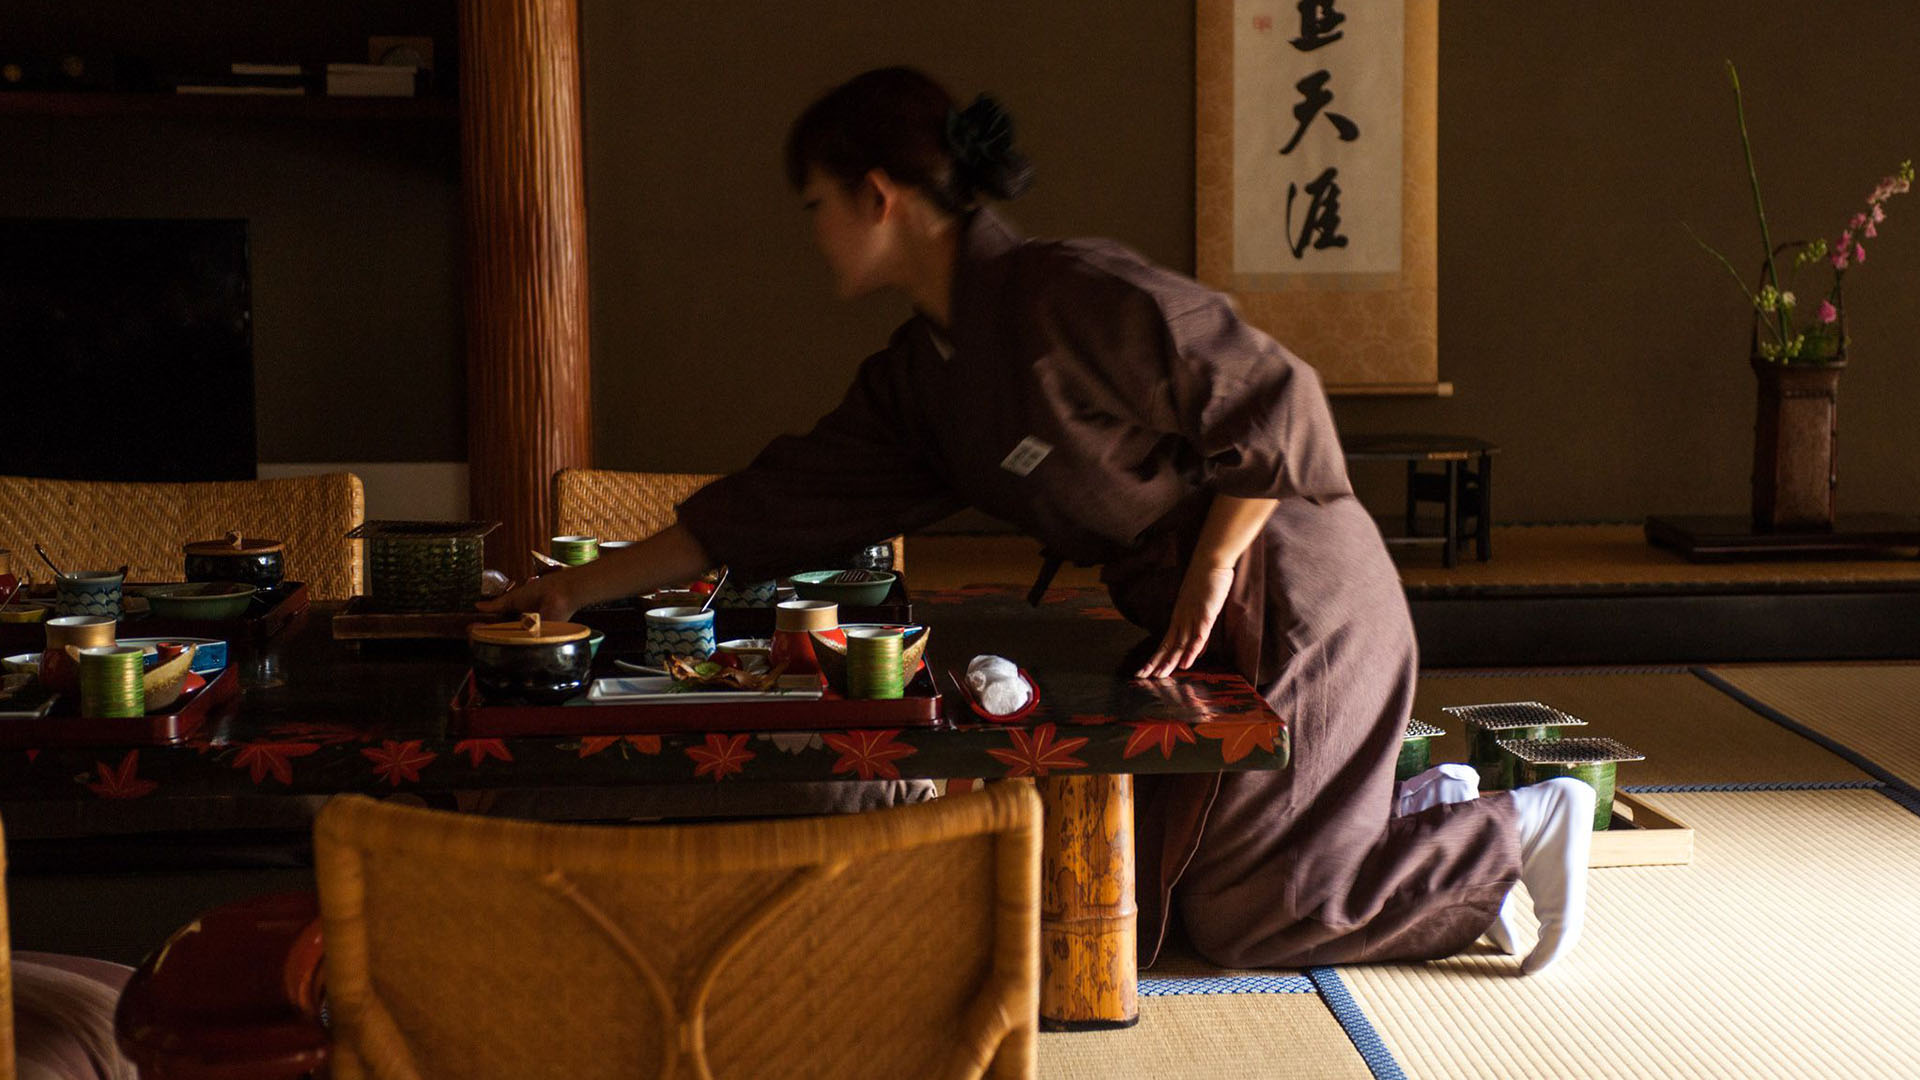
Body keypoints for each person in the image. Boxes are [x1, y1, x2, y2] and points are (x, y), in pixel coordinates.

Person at [485, 66, 1595, 973]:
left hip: (1292, 577)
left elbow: (1280, 398)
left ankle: (1520, 829)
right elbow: (774, 503)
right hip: (1195, 603)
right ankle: (1420, 808)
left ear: (879, 197)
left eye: (816, 205)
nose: (812, 231)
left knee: (1253, 916)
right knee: (1171, 886)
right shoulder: (922, 374)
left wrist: (1213, 566)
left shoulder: (1068, 292)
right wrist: (573, 589)